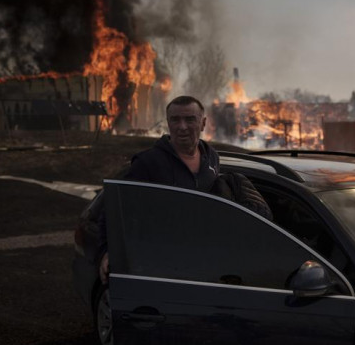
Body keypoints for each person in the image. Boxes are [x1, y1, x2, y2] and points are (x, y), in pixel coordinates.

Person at [97, 95, 271, 284]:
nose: (182, 126)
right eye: (175, 119)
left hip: (205, 262)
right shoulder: (148, 162)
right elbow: (115, 207)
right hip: (163, 265)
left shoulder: (211, 158)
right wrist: (107, 251)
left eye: (190, 119)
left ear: (203, 123)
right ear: (168, 123)